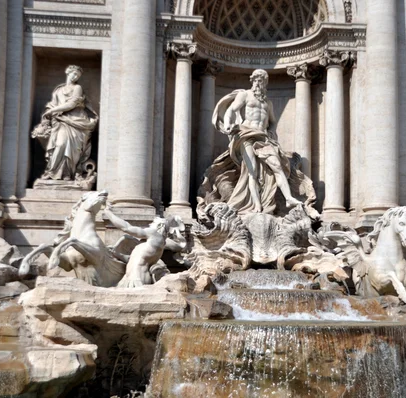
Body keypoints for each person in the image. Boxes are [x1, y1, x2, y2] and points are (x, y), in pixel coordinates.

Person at [207, 69, 303, 214]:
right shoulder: (245, 95)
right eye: (257, 80)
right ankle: (256, 205)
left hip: (263, 138)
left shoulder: (267, 103)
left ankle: (288, 198)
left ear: (265, 83)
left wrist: (271, 132)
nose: (259, 83)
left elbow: (272, 121)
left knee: (277, 165)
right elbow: (231, 111)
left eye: (262, 80)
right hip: (246, 134)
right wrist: (227, 125)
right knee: (252, 171)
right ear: (252, 81)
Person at [32, 65, 98, 181]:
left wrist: (53, 110)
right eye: (74, 73)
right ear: (68, 72)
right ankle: (52, 172)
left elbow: (71, 104)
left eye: (78, 75)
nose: (75, 76)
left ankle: (67, 174)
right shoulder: (58, 90)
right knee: (59, 145)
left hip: (76, 121)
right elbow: (52, 104)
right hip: (59, 121)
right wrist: (49, 112)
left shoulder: (78, 88)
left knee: (67, 147)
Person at [104, 206, 187, 288]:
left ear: (159, 226)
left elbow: (126, 227)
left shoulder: (154, 234)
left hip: (136, 279)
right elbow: (136, 259)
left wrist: (108, 213)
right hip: (129, 278)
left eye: (152, 224)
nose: (149, 226)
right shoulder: (157, 243)